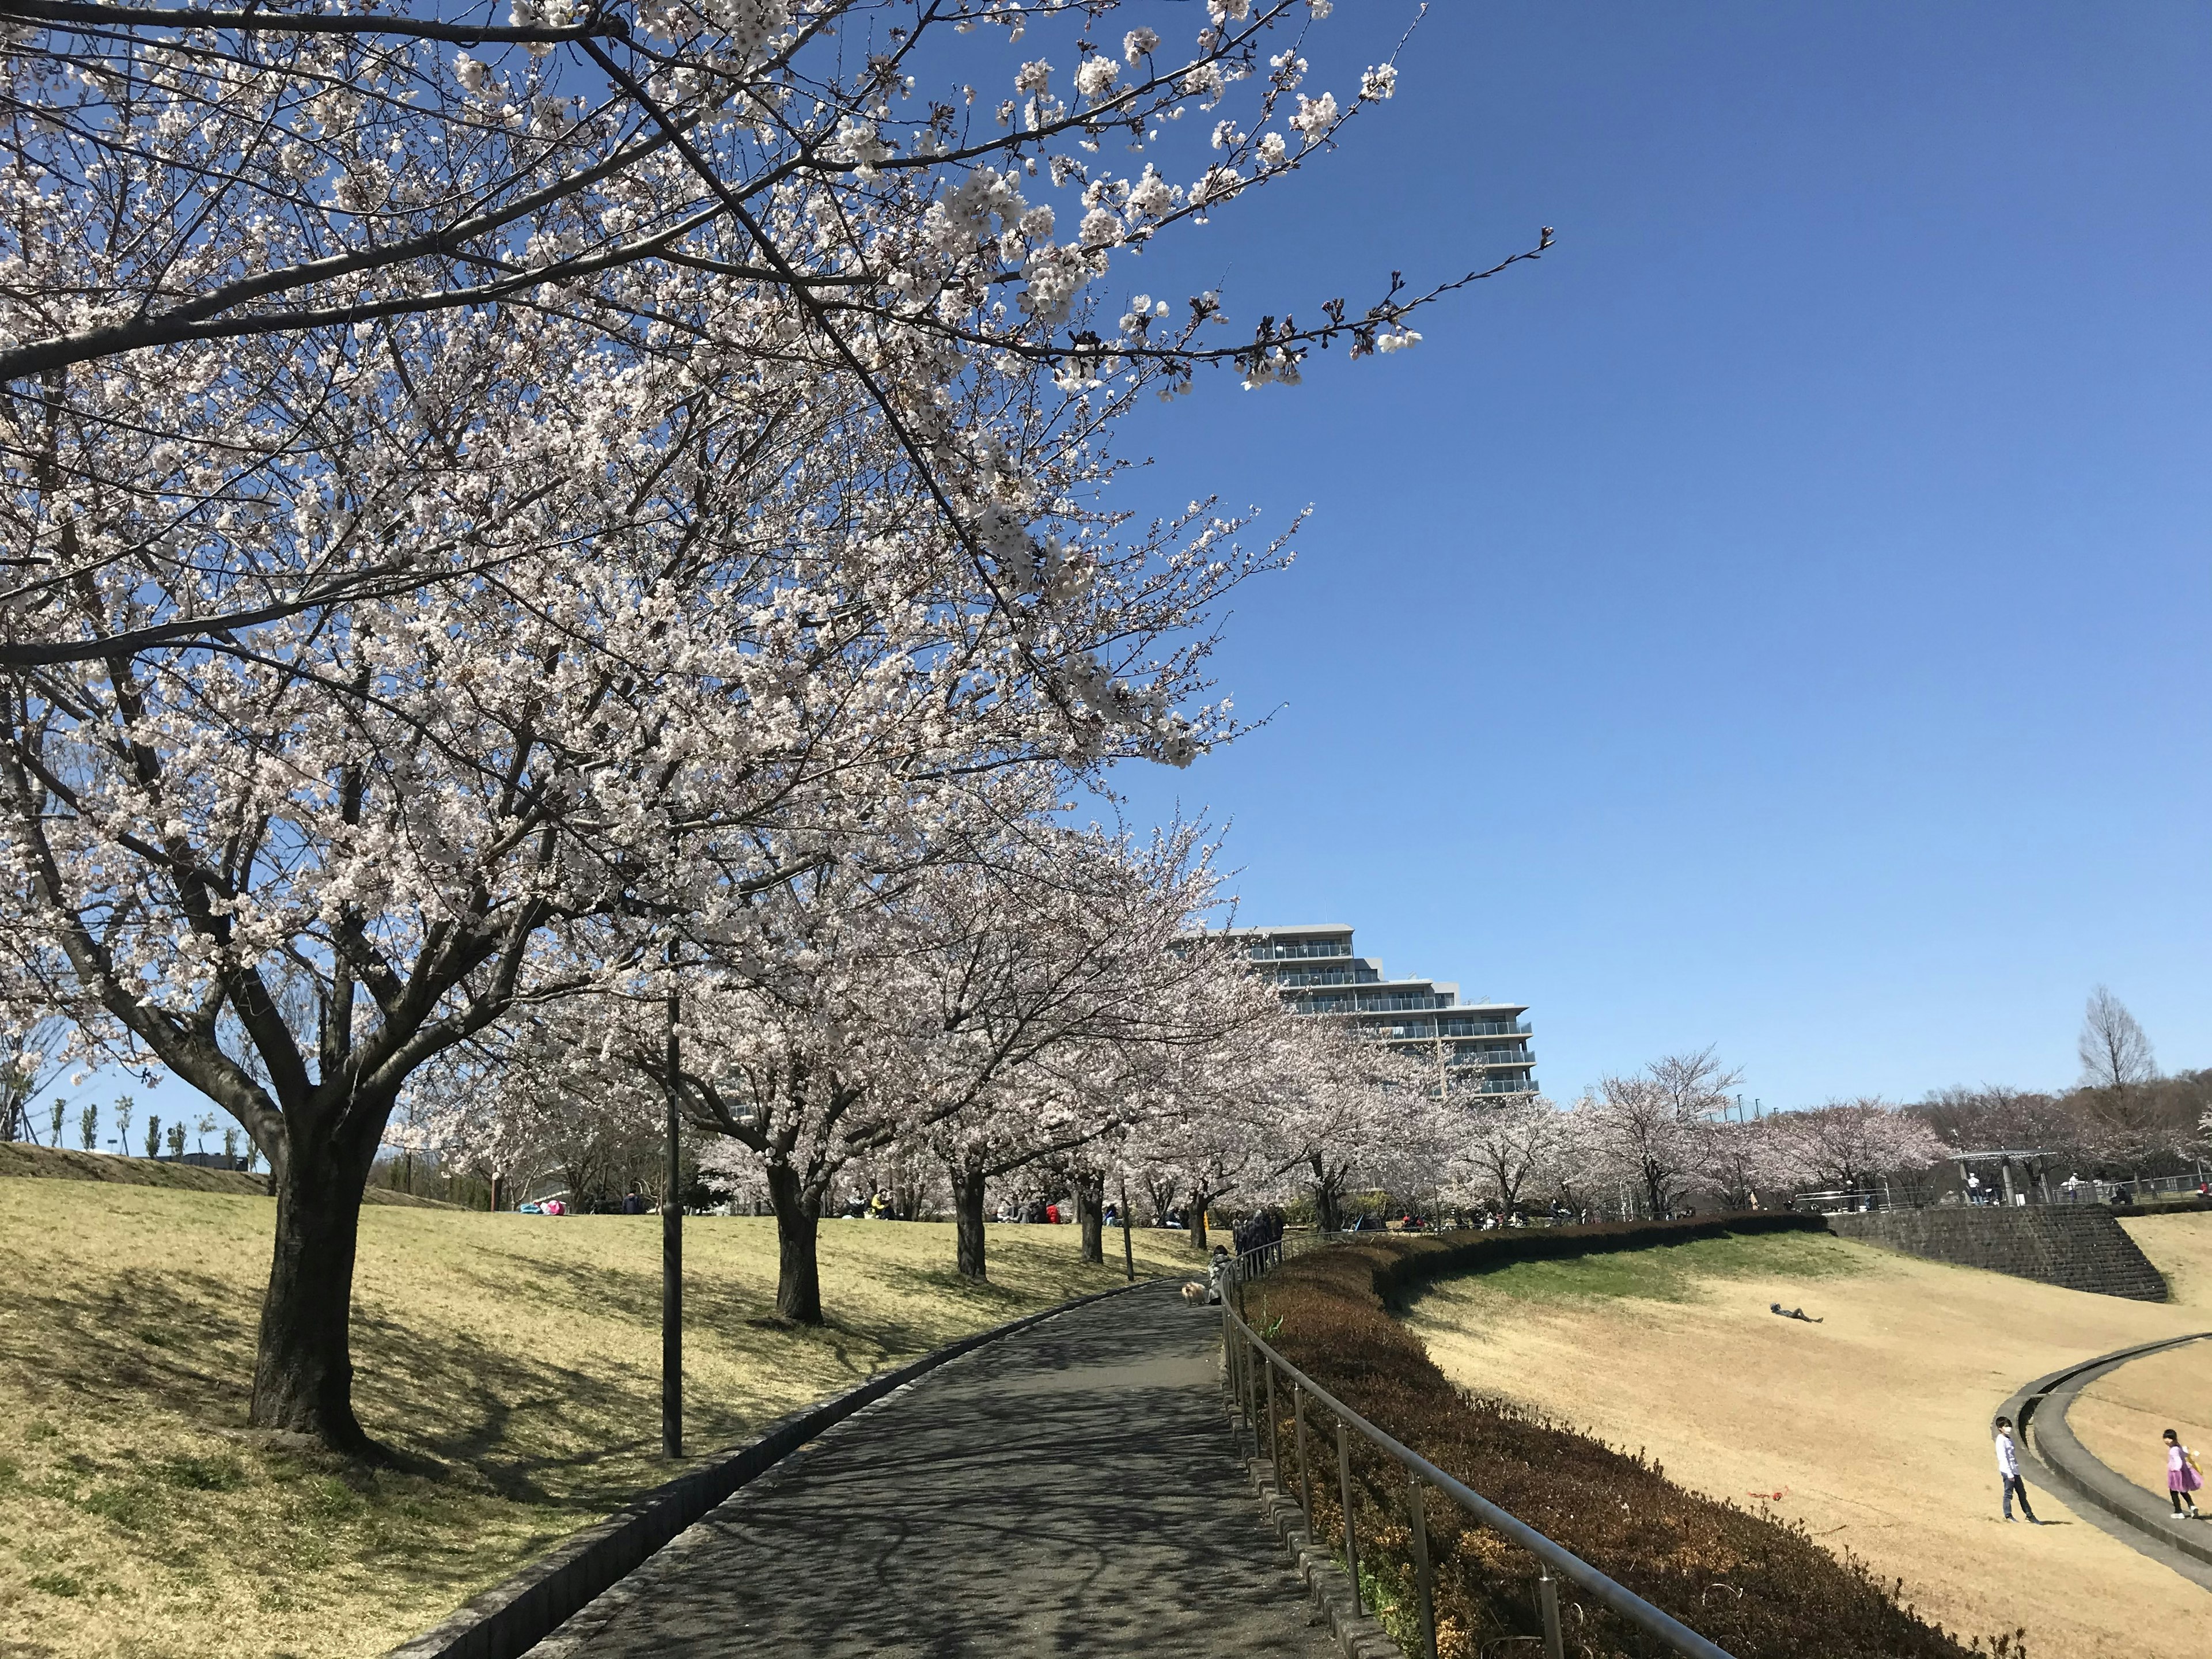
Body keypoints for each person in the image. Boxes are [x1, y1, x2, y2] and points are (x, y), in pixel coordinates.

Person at [1994, 1416, 2039, 1523]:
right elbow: (2003, 1458)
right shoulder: (2001, 1440)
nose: (2008, 1428)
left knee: (2022, 1494)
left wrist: (2015, 1471)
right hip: (2008, 1471)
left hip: (2015, 1471)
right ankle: (2008, 1515)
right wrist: (2009, 1473)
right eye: (2006, 1426)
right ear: (2000, 1428)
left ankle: (2029, 1515)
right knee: (2009, 1494)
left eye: (2009, 1426)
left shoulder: (2009, 1440)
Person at [2165, 1429, 2203, 1518]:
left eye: (2170, 1438)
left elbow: (2178, 1461)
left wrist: (2175, 1469)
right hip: (2183, 1472)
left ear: (2174, 1439)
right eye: (2166, 1438)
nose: (2167, 1440)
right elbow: (2184, 1454)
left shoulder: (2173, 1450)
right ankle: (2192, 1507)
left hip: (2176, 1473)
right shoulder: (2178, 1447)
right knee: (2183, 1490)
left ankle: (2178, 1512)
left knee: (2174, 1492)